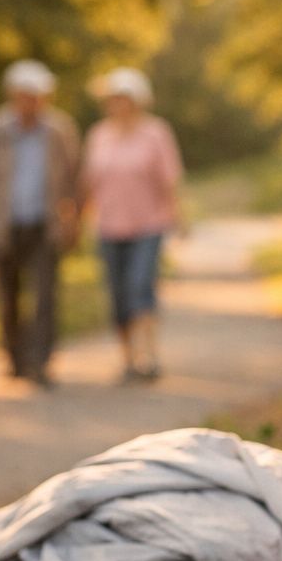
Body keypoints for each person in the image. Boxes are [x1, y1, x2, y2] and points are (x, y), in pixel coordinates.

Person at [0, 59, 81, 387]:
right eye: (28, 96)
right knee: (8, 296)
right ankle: (15, 358)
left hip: (44, 224)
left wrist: (74, 219)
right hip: (4, 224)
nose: (34, 103)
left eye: (40, 96)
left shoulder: (59, 130)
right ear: (13, 95)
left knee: (44, 296)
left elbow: (73, 178)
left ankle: (41, 362)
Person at [81, 67, 183, 383]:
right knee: (118, 296)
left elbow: (170, 179)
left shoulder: (156, 132)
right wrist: (78, 220)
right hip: (109, 226)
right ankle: (127, 359)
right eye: (114, 99)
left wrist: (180, 217)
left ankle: (148, 357)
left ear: (138, 101)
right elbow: (89, 183)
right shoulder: (98, 135)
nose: (119, 105)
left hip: (148, 225)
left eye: (124, 98)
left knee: (141, 287)